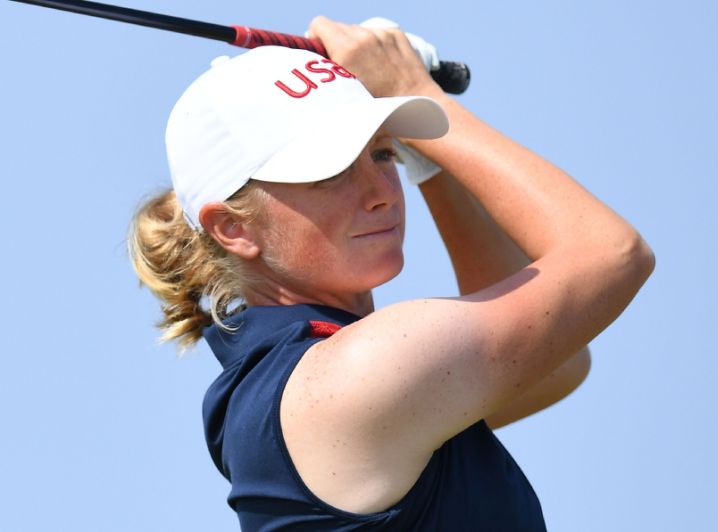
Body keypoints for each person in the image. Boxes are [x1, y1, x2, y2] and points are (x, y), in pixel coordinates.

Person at [129, 16, 655, 531]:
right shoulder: (351, 374)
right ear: (233, 229)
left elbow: (557, 366)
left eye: (383, 151)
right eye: (329, 171)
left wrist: (426, 160)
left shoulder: (288, 380)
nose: (381, 192)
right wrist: (419, 92)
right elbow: (611, 254)